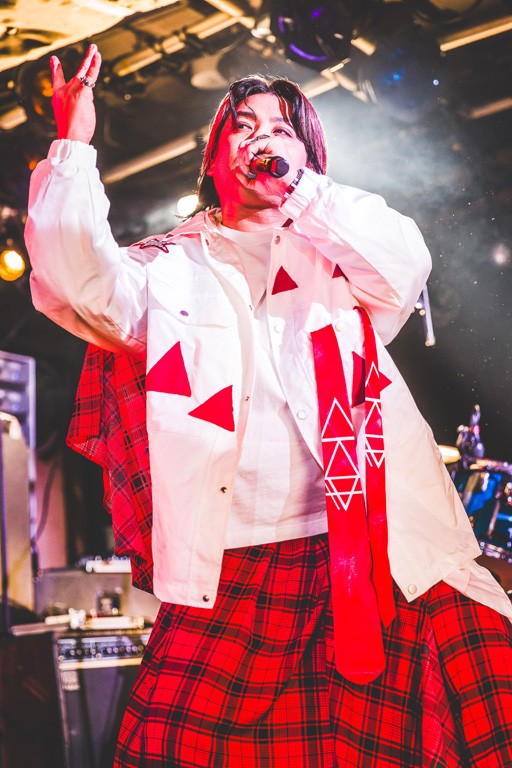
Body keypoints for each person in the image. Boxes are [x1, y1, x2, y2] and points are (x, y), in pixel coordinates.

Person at [25, 43, 512, 767]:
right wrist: (73, 145)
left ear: (308, 157)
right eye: (243, 126)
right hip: (240, 560)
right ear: (214, 159)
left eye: (282, 129)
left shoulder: (339, 254)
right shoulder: (167, 266)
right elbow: (76, 287)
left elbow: (406, 263)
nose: (262, 139)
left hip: (377, 545)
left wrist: (302, 190)